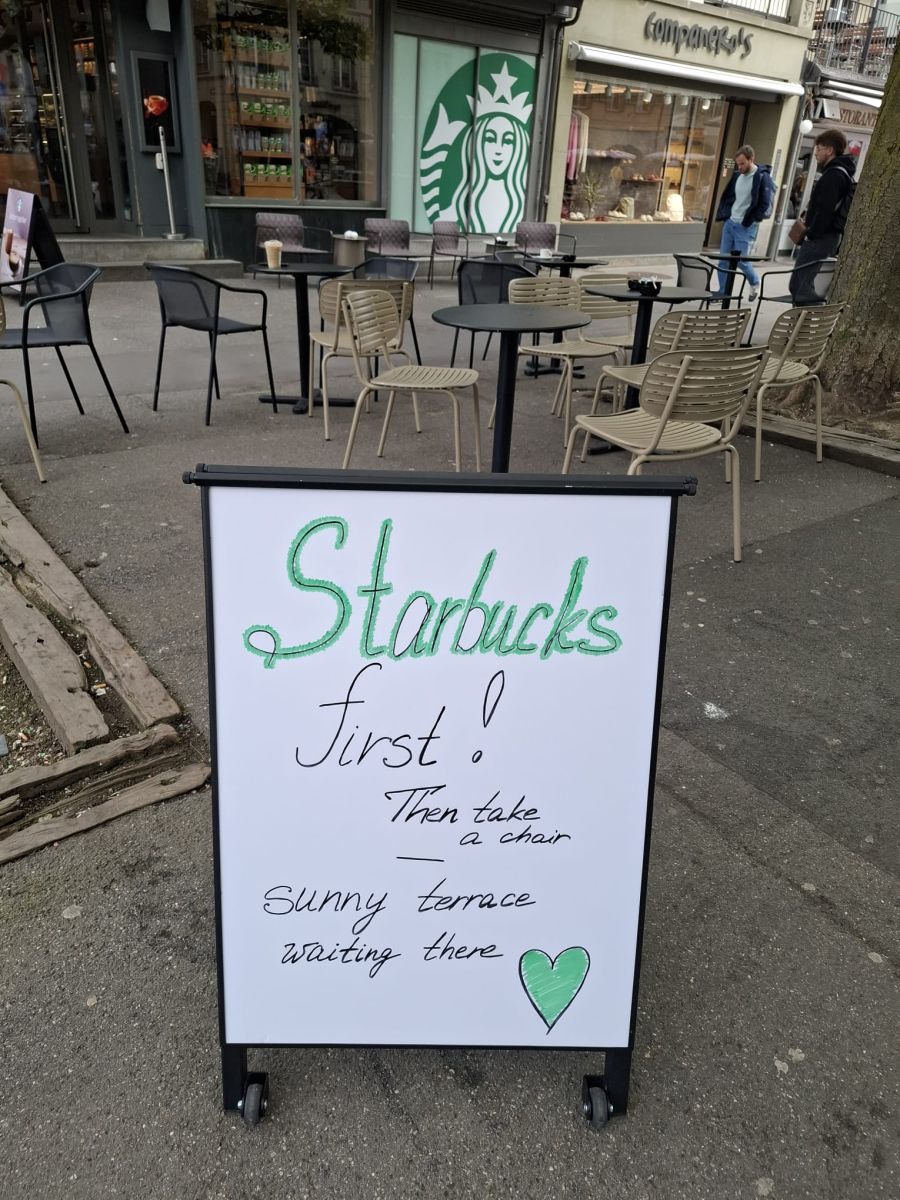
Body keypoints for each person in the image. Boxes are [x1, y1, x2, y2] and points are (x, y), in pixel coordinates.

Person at [789, 128, 855, 306]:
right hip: (827, 237)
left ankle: (804, 328)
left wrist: (811, 233)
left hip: (821, 238)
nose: (816, 153)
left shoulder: (834, 175)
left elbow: (825, 210)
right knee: (802, 284)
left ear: (830, 150)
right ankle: (803, 326)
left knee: (800, 285)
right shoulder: (841, 173)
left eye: (819, 149)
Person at [714, 145, 775, 301]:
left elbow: (764, 203)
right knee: (723, 260)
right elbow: (729, 197)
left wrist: (750, 220)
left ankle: (755, 281)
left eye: (742, 163)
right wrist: (726, 215)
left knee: (741, 260)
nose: (739, 167)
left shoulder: (761, 176)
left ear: (751, 160)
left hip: (745, 225)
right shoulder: (737, 176)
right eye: (737, 164)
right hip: (730, 223)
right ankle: (723, 293)